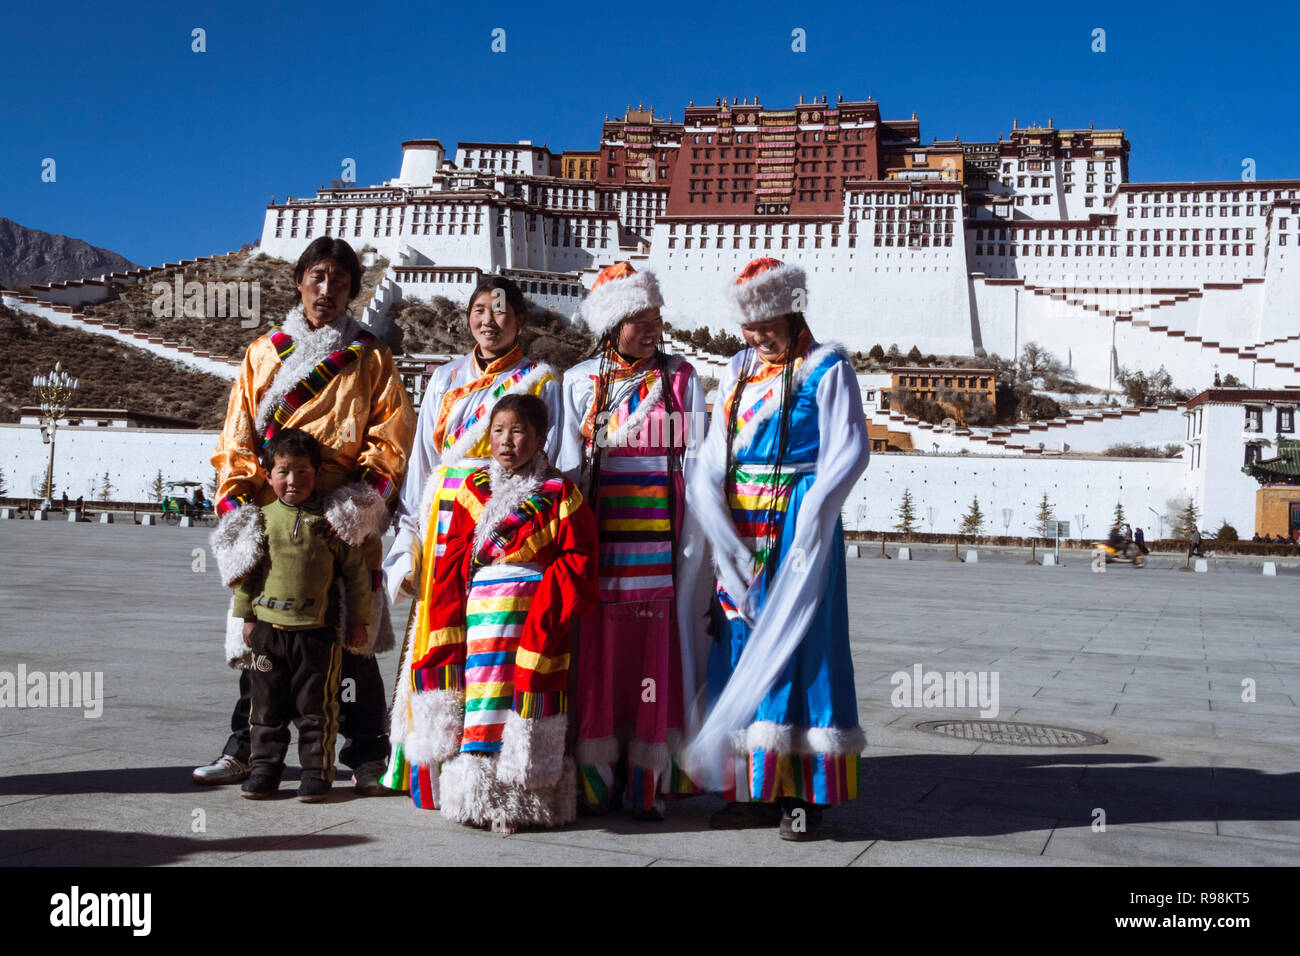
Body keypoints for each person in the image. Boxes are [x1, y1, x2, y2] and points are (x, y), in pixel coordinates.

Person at [197, 236, 417, 793]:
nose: (327, 290)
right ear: (299, 281)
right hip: (275, 513)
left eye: (340, 281)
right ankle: (246, 748)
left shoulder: (371, 356)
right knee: (266, 639)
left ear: (352, 290)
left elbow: (390, 438)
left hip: (342, 514)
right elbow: (238, 439)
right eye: (317, 277)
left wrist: (360, 502)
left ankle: (368, 754)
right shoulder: (263, 352)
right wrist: (242, 511)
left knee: (353, 637)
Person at [681, 257, 870, 841]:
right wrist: (712, 511)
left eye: (768, 323)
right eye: (749, 325)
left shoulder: (827, 367)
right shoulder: (736, 368)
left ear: (792, 312)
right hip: (741, 519)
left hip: (796, 519)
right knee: (737, 641)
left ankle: (803, 796)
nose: (758, 337)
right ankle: (752, 788)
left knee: (802, 647)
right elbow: (714, 449)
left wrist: (812, 517)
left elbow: (851, 450)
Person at [383, 275, 562, 809]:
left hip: (505, 521)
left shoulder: (539, 377)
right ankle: (427, 764)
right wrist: (410, 535)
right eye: (480, 310)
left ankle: (492, 767)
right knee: (439, 638)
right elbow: (422, 466)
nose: (490, 321)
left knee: (493, 646)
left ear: (521, 321)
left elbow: (555, 455)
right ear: (468, 317)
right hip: (445, 522)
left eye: (502, 311)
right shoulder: (444, 378)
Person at [555, 262, 709, 819]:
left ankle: (648, 781)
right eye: (638, 320)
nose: (651, 329)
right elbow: (567, 471)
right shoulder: (578, 382)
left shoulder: (679, 379)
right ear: (611, 323)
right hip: (599, 542)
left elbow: (697, 463)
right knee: (596, 659)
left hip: (658, 546)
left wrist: (695, 545)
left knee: (649, 663)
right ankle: (594, 781)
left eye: (655, 318)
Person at [417, 394, 598, 831]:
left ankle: (525, 798)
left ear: (539, 438)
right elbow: (452, 554)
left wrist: (549, 601)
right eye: (498, 431)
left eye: (518, 432)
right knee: (485, 699)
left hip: (536, 613)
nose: (506, 441)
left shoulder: (561, 493)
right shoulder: (471, 490)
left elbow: (579, 555)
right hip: (482, 614)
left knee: (527, 695)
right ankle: (480, 796)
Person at [235, 429, 371, 802]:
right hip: (268, 634)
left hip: (317, 635)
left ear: (318, 473)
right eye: (283, 472)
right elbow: (249, 571)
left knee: (317, 709)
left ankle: (316, 773)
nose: (292, 481)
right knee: (264, 707)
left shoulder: (332, 522)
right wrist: (245, 616)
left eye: (302, 472)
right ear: (268, 475)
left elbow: (357, 575)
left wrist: (359, 620)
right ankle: (264, 769)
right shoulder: (261, 520)